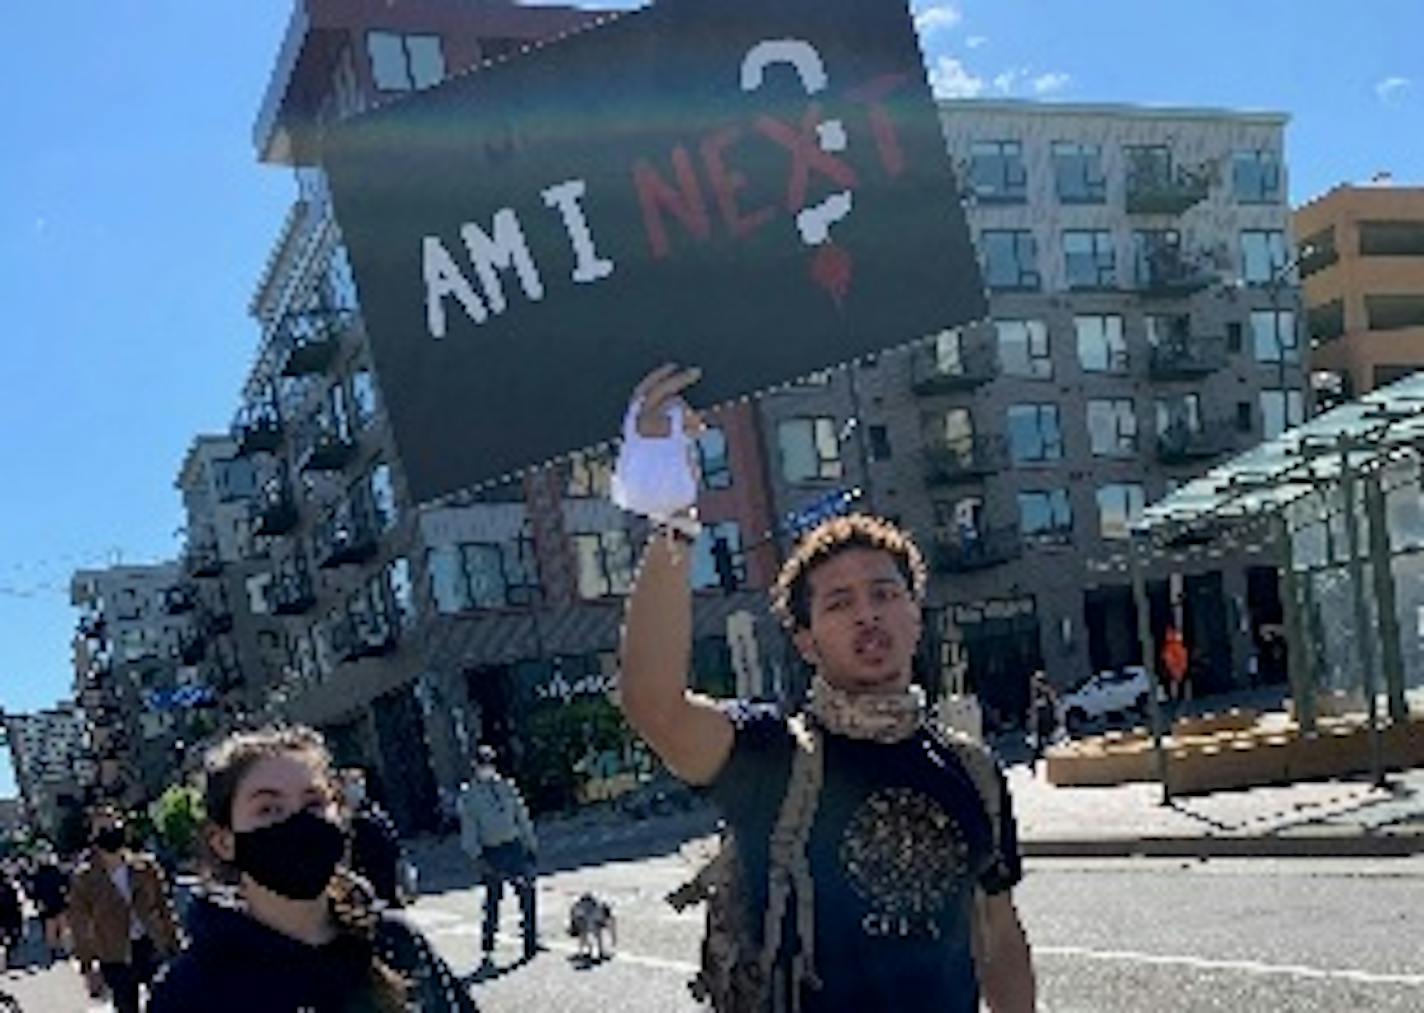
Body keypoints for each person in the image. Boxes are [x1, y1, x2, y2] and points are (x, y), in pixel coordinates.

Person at [618, 365, 1036, 1012]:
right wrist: (673, 521)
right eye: (839, 603)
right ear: (807, 640)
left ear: (914, 614)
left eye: (884, 593)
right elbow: (655, 706)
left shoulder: (972, 769)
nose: (868, 613)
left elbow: (998, 930)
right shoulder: (770, 755)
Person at [149, 725, 477, 1013]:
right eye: (268, 809)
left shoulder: (396, 942)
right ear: (223, 841)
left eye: (313, 803)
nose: (299, 823)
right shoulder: (189, 993)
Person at [68, 808, 181, 1013]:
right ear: (93, 836)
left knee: (167, 1003)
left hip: (150, 946)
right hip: (115, 955)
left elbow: (164, 906)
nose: (111, 831)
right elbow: (79, 925)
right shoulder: (85, 879)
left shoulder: (145, 867)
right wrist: (88, 966)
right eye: (103, 828)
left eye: (115, 825)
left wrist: (175, 943)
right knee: (127, 1007)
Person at [456, 746, 539, 973]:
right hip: (490, 850)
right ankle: (488, 944)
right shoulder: (469, 794)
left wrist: (530, 845)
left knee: (527, 892)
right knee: (493, 899)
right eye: (482, 764)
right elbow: (469, 829)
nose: (487, 768)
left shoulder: (506, 786)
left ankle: (531, 941)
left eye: (490, 763)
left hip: (513, 846)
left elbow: (521, 816)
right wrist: (477, 856)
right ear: (475, 766)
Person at [341, 767, 404, 907]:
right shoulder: (343, 819)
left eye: (359, 782)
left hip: (383, 884)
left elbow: (393, 847)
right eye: (351, 783)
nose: (356, 788)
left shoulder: (374, 815)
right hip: (364, 888)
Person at [29, 852, 71, 962]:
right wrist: (38, 901)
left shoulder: (55, 871)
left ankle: (61, 949)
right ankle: (55, 949)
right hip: (49, 903)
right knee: (52, 928)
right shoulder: (39, 873)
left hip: (56, 902)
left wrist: (66, 894)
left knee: (61, 927)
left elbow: (65, 884)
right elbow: (34, 890)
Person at [1028, 672, 1058, 775]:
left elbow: (1053, 704)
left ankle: (1037, 764)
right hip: (1040, 722)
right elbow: (1034, 708)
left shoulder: (1047, 691)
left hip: (1047, 720)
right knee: (1039, 745)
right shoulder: (1036, 693)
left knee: (1048, 743)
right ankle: (1033, 765)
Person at [0, 864, 24, 971]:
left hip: (8, 916)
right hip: (10, 917)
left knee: (6, 940)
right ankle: (7, 961)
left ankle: (5, 962)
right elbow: (18, 903)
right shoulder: (11, 887)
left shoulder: (11, 887)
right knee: (10, 939)